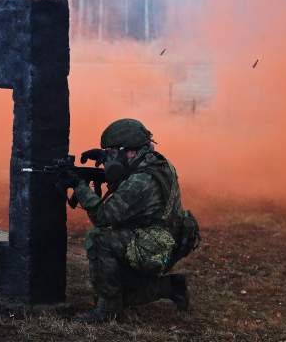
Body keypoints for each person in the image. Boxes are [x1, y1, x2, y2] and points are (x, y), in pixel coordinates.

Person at [62, 118, 199, 323]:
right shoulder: (157, 163)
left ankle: (108, 312)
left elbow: (103, 217)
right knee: (123, 293)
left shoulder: (142, 180)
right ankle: (172, 286)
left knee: (99, 239)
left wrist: (79, 186)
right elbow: (131, 189)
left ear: (131, 152)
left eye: (113, 153)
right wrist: (108, 165)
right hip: (166, 240)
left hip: (154, 249)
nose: (110, 158)